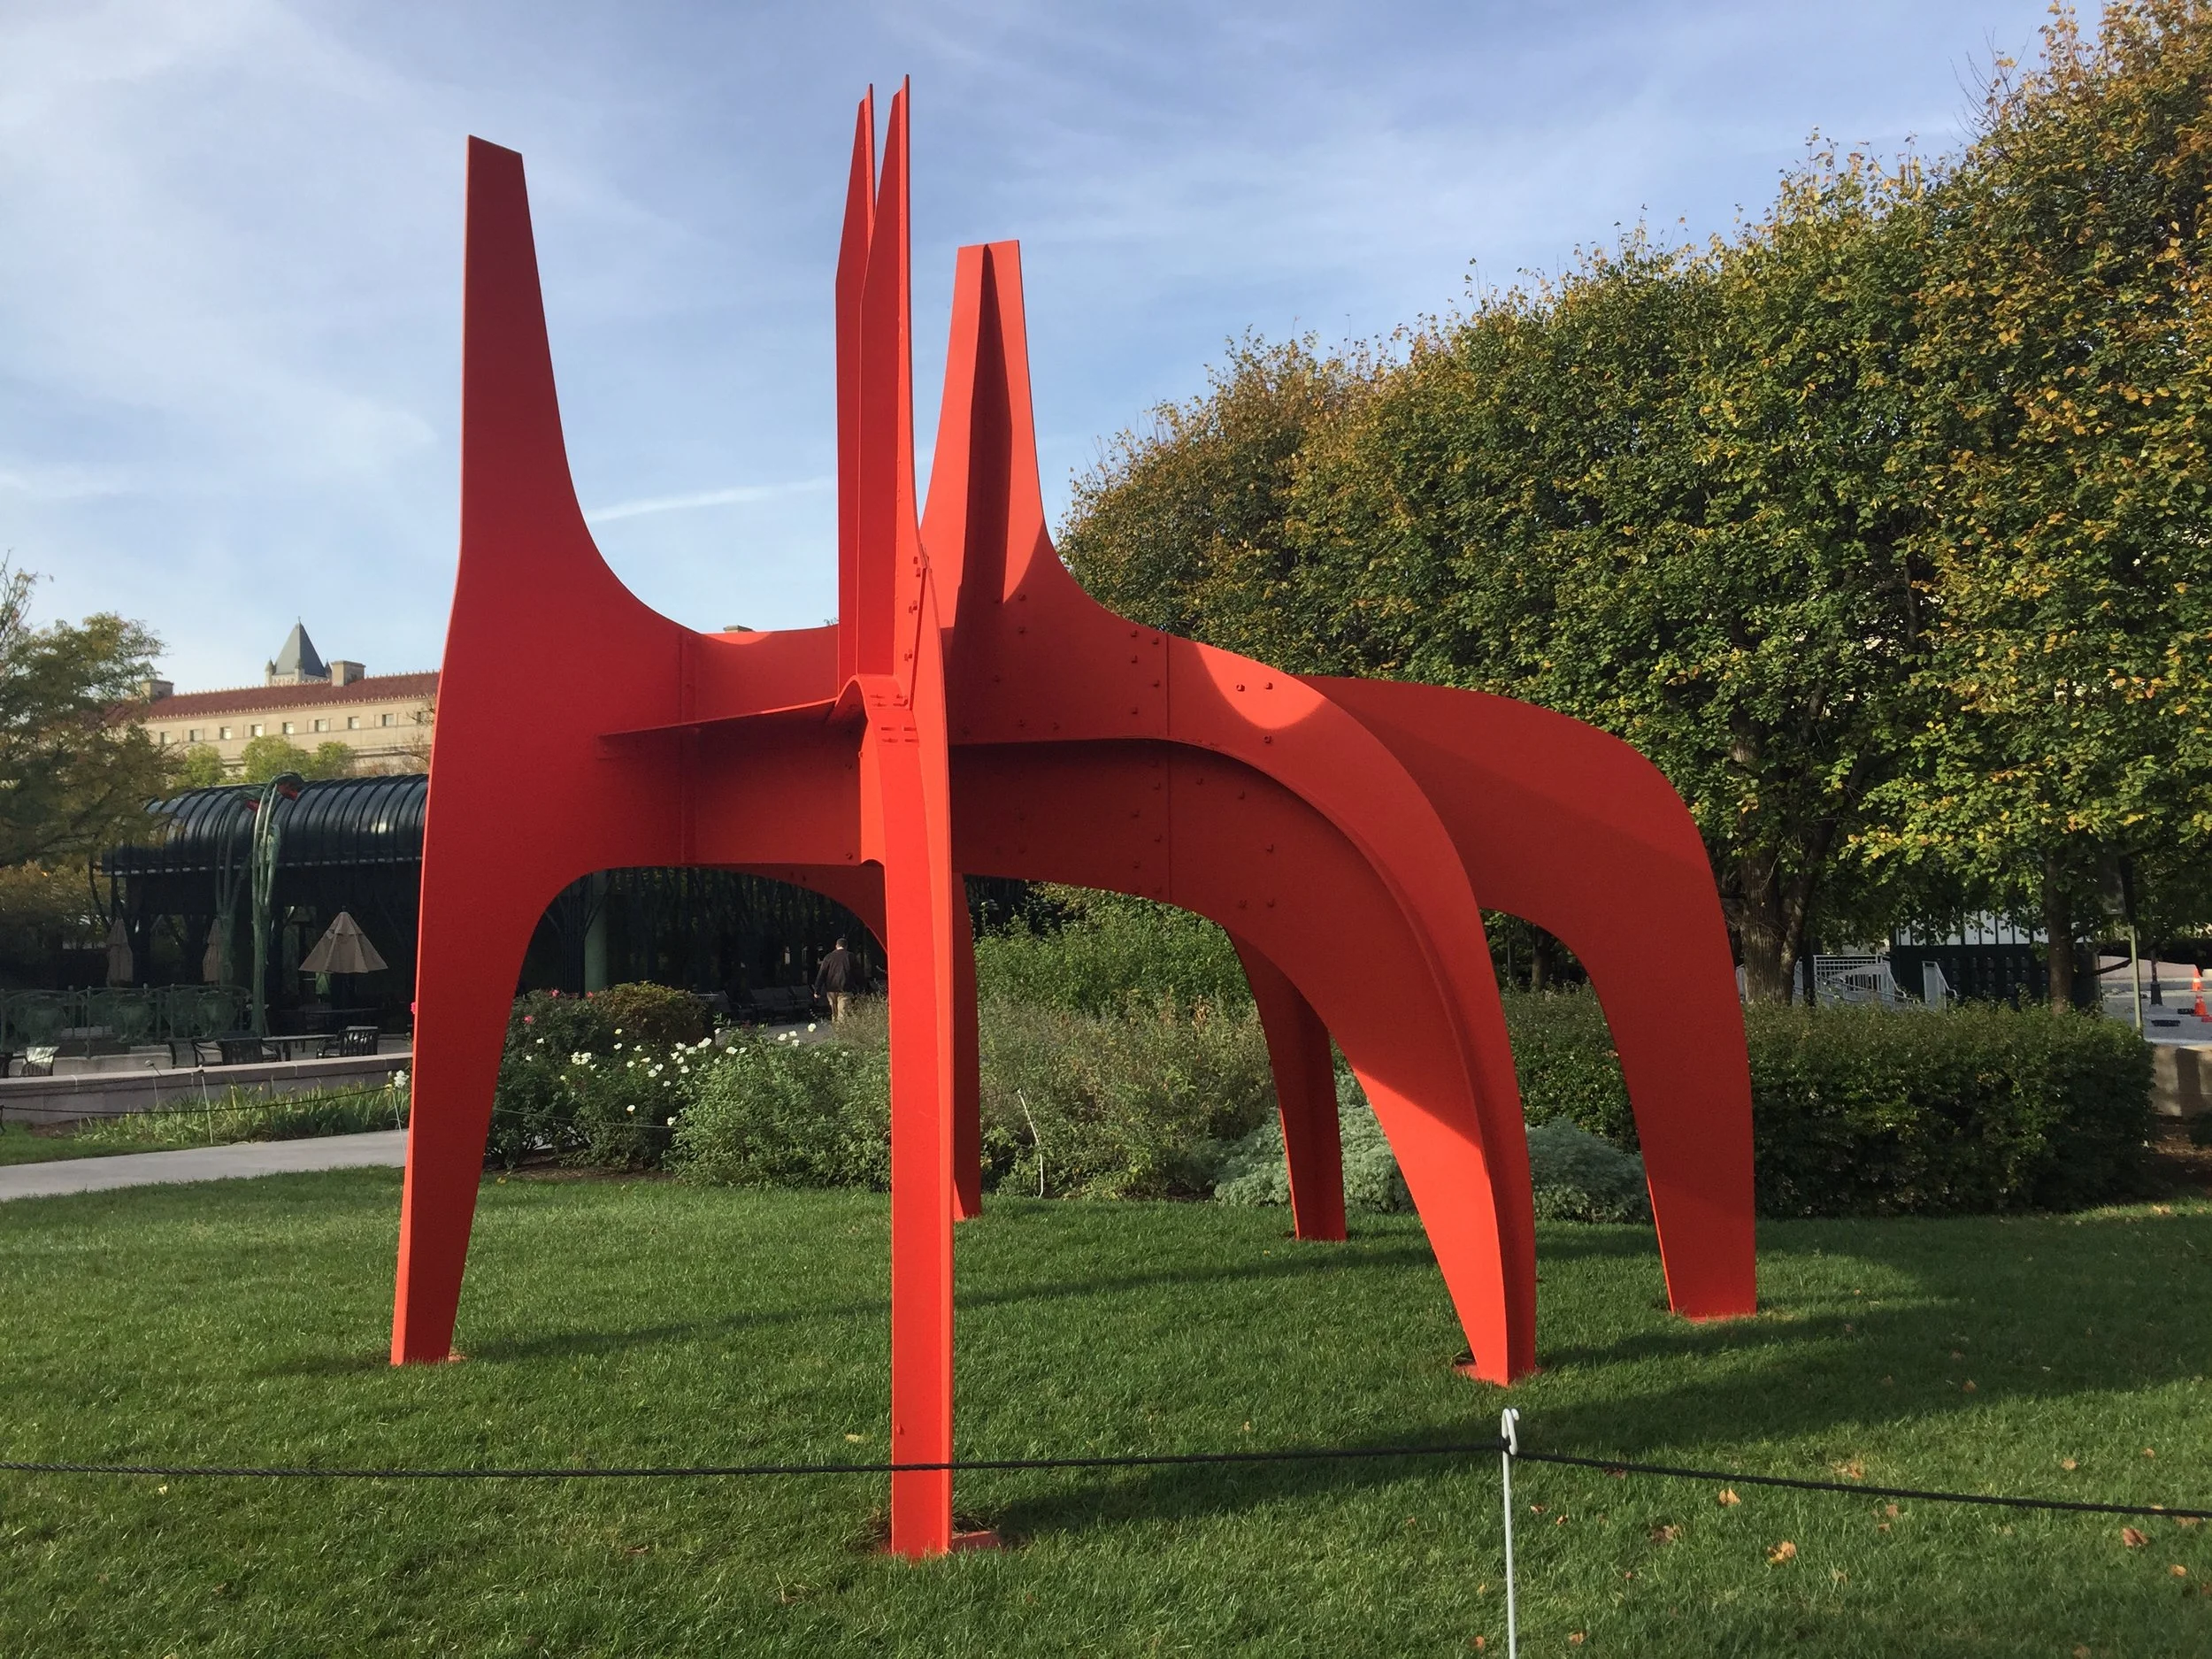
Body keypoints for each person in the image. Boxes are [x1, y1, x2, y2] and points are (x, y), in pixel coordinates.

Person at [815, 936, 856, 1022]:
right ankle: (842, 1032)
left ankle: (836, 1031)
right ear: (846, 946)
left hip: (831, 989)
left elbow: (822, 973)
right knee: (843, 1013)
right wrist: (862, 987)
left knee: (834, 1012)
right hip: (845, 989)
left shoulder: (828, 957)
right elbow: (858, 973)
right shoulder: (850, 956)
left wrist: (817, 990)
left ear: (836, 946)